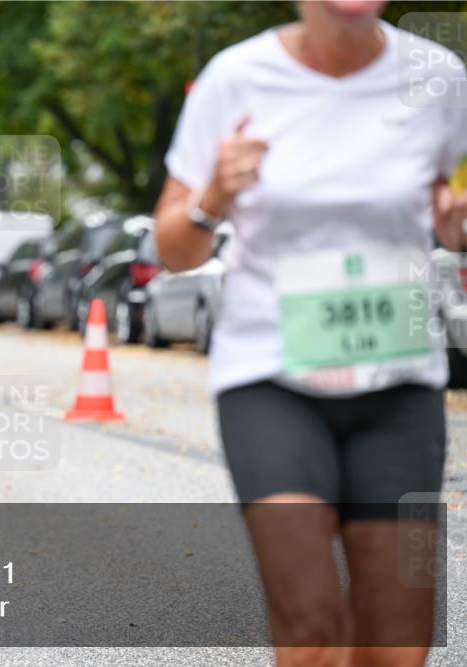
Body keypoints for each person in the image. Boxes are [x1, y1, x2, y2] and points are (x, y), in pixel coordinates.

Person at [154, 2, 466, 665]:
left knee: (397, 640)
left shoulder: (437, 76)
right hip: (272, 376)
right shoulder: (236, 77)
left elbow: (443, 198)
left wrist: (454, 220)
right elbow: (172, 249)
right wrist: (213, 196)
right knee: (310, 619)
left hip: (399, 380)